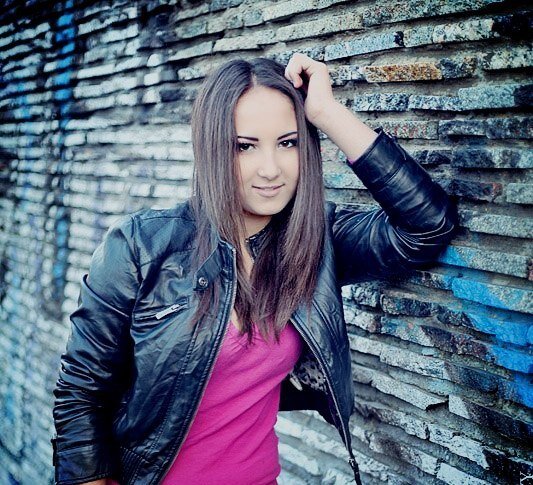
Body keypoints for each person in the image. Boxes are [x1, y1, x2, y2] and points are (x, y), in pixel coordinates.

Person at [51, 52, 458, 485]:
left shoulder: (316, 241)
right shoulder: (140, 246)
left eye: (288, 143)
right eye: (244, 146)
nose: (270, 170)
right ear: (213, 149)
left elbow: (427, 225)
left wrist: (326, 113)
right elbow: (81, 394)